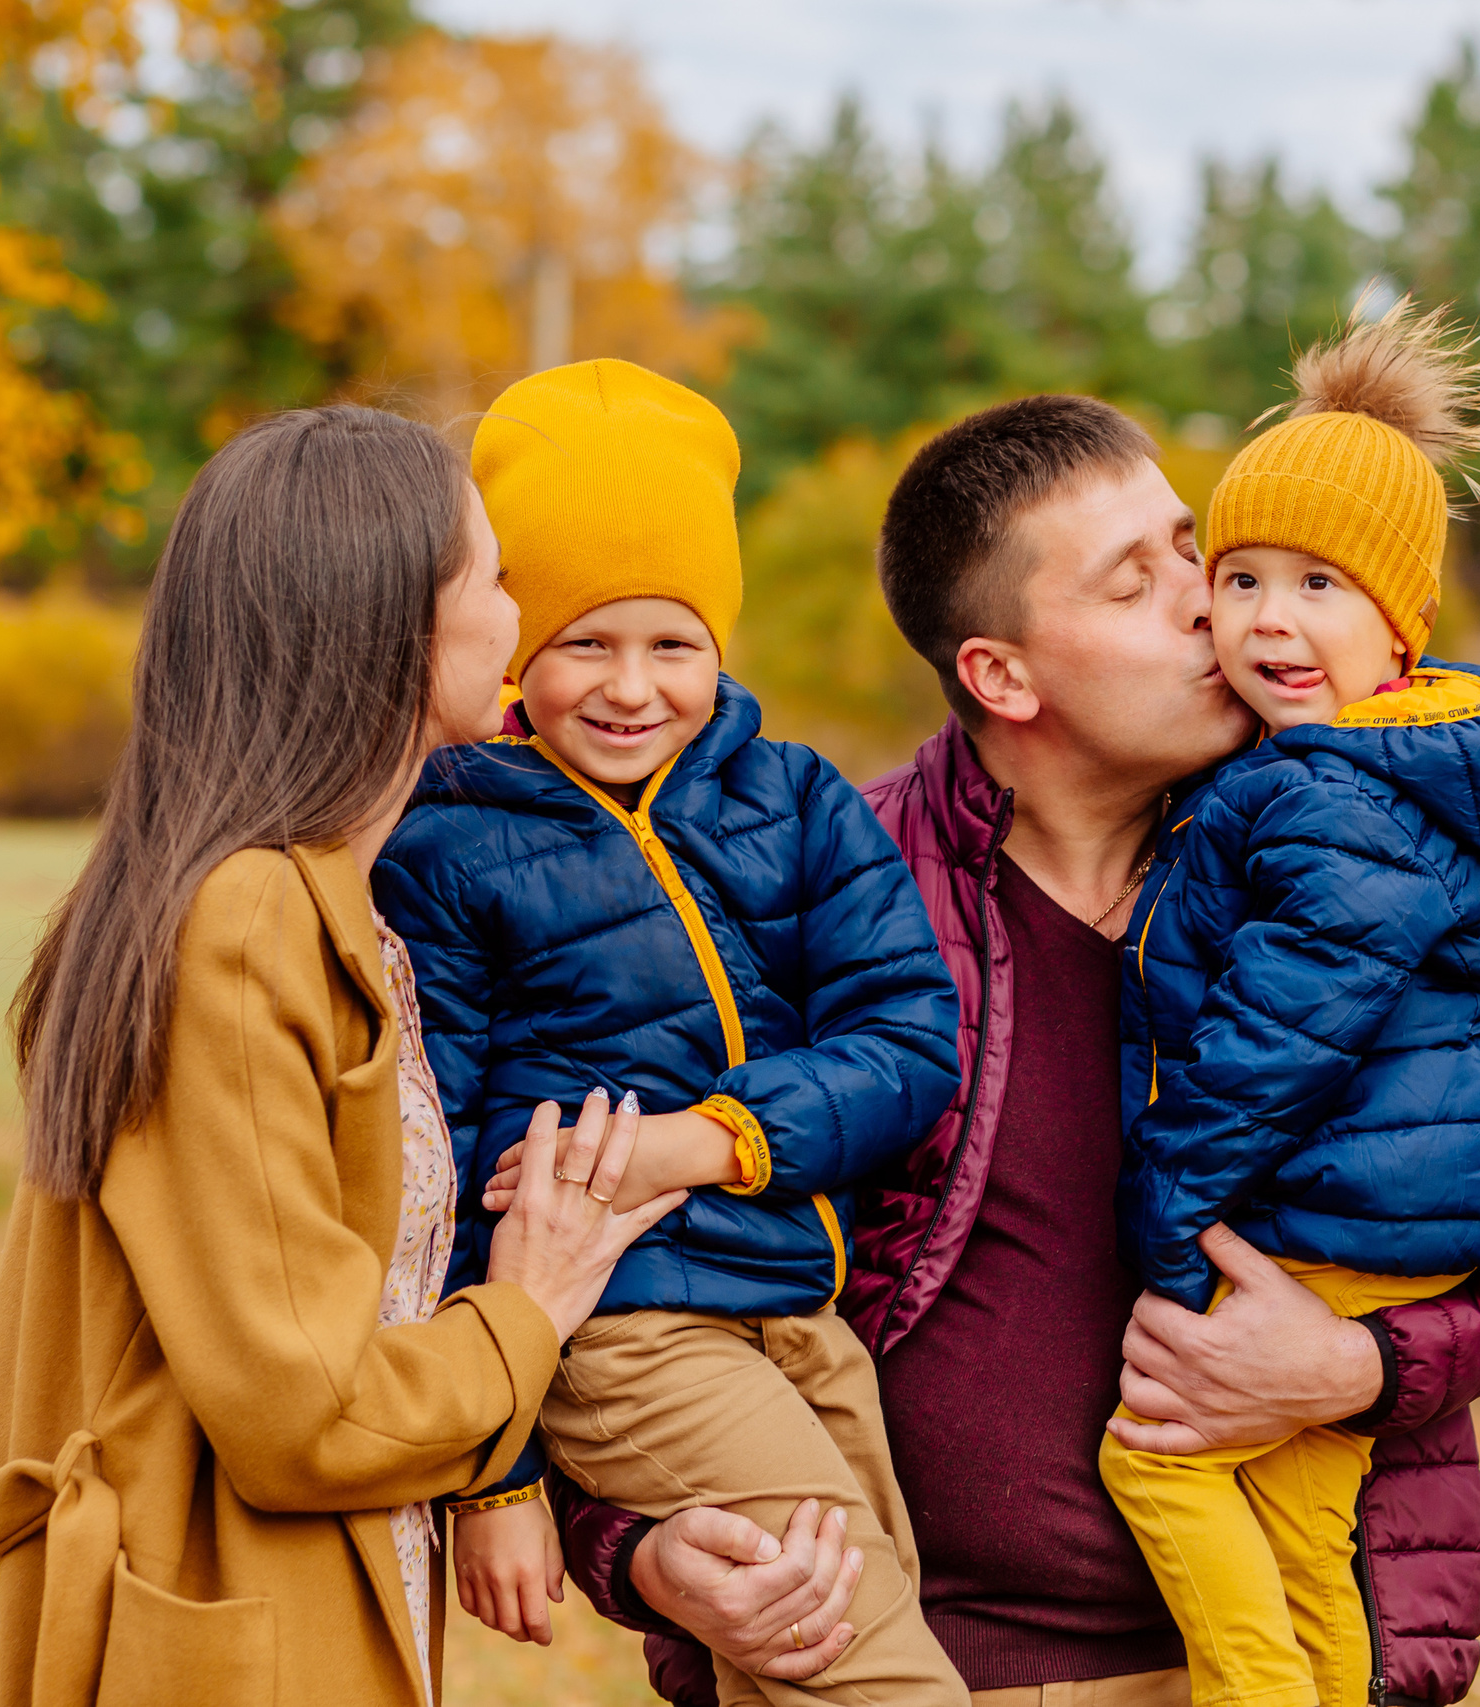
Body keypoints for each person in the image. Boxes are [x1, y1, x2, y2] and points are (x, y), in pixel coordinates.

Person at [553, 391, 1480, 1707]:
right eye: (1138, 582)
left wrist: (1363, 1366)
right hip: (901, 1668)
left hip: (1266, 1655)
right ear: (1002, 674)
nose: (1208, 603)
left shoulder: (1331, 853)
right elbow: (618, 1274)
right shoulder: (819, 888)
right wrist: (638, 1552)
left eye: (1193, 550)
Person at [0, 406, 686, 1707]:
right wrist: (528, 1311)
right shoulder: (248, 919)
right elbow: (306, 1413)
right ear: (392, 623)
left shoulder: (319, 901)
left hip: (315, 1594)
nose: (516, 609)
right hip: (233, 1629)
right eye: (490, 575)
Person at [376, 360, 969, 1705]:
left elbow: (910, 1044)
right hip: (627, 1336)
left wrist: (695, 1145)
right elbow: (448, 1171)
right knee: (874, 1679)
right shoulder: (450, 846)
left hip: (804, 1320)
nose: (632, 687)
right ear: (517, 642)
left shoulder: (803, 804)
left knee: (790, 1662)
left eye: (673, 643)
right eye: (587, 642)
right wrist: (499, 1478)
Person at [1098, 304, 1480, 1707]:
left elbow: (1280, 1038)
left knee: (1154, 1461)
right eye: (1242, 578)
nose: (1270, 619)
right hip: (1387, 1215)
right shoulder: (1390, 766)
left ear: (1406, 622)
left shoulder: (1333, 796)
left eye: (1320, 586)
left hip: (1335, 1219)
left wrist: (1168, 1213)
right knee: (1310, 1524)